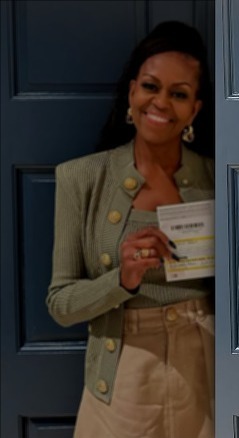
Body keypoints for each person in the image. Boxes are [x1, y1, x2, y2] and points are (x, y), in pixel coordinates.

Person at [47, 21, 215, 438]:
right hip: (121, 373)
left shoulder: (218, 180)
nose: (160, 103)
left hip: (202, 370)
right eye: (150, 87)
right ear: (131, 92)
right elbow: (61, 303)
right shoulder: (81, 179)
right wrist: (121, 280)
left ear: (194, 109)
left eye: (178, 94)